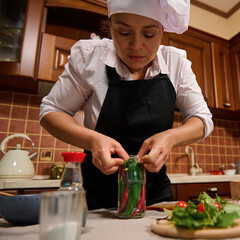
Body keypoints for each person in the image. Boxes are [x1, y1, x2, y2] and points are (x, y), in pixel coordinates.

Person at [39, 0, 213, 210]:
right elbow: (52, 112)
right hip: (97, 200)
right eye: (123, 32)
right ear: (110, 27)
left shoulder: (176, 64)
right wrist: (93, 140)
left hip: (156, 198)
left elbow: (202, 119)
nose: (136, 45)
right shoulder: (90, 58)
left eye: (149, 34)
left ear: (162, 31)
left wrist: (170, 137)